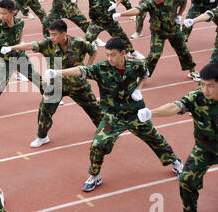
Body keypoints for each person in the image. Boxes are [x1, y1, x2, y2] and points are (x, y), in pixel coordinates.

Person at [46, 37, 184, 192]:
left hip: (135, 113)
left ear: (123, 53)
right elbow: (81, 70)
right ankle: (95, 175)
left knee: (156, 140)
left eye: (113, 55)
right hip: (114, 116)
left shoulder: (136, 65)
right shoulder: (102, 68)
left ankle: (176, 162)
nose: (109, 58)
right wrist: (58, 72)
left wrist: (138, 88)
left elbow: (145, 73)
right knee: (98, 145)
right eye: (107, 55)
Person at [137, 63, 218, 212]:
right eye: (202, 84)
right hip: (205, 149)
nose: (205, 90)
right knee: (186, 180)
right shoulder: (197, 98)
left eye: (210, 86)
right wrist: (152, 113)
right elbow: (176, 106)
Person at [1, 19, 103, 148]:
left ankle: (105, 131)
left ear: (64, 34)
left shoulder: (79, 43)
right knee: (44, 110)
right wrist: (11, 48)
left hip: (78, 85)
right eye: (50, 34)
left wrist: (87, 70)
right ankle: (42, 137)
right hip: (57, 85)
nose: (51, 37)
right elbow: (31, 45)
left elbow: (93, 51)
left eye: (54, 34)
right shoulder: (48, 43)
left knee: (95, 109)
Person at [113, 0, 200, 81]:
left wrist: (179, 14)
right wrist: (121, 14)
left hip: (174, 31)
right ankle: (141, 75)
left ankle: (193, 72)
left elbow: (184, 0)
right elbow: (138, 10)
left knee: (184, 51)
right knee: (154, 55)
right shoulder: (150, 2)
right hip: (158, 32)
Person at [79, 0, 145, 59]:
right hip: (96, 22)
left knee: (122, 37)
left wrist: (116, 4)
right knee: (86, 41)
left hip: (111, 20)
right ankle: (78, 58)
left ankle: (132, 52)